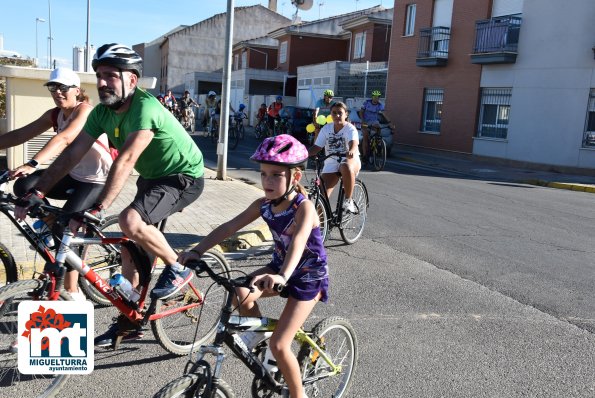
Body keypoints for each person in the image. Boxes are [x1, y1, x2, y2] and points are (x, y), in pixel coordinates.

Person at [14, 43, 205, 346]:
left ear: (131, 79)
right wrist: (38, 190)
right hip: (153, 177)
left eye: (111, 76)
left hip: (183, 176)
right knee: (131, 245)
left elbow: (125, 160)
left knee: (130, 221)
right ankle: (132, 320)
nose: (102, 83)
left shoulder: (146, 107)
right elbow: (71, 154)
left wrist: (100, 206)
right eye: (99, 75)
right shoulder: (102, 112)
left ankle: (178, 267)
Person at [178, 134, 328, 398]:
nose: (267, 181)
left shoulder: (304, 209)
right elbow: (228, 227)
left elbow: (298, 243)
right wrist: (197, 250)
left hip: (306, 277)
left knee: (280, 344)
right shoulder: (264, 205)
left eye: (276, 175)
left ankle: (297, 394)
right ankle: (260, 345)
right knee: (240, 292)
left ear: (295, 177)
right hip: (278, 269)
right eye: (264, 174)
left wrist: (282, 276)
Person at [0, 67, 112, 300]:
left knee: (65, 229)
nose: (57, 92)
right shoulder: (55, 114)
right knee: (23, 186)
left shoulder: (86, 111)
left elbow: (65, 138)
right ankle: (52, 226)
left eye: (63, 88)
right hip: (72, 175)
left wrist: (33, 162)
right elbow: (20, 134)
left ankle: (72, 290)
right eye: (53, 87)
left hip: (95, 180)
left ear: (77, 91)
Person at [308, 101, 361, 213]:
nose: (337, 116)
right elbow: (317, 147)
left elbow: (354, 143)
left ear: (346, 114)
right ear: (330, 114)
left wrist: (351, 151)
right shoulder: (326, 129)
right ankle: (322, 227)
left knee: (345, 166)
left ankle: (348, 200)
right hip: (331, 162)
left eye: (340, 113)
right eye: (334, 113)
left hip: (350, 159)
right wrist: (302, 154)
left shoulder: (350, 129)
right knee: (321, 198)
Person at [358, 90, 392, 165]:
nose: (376, 98)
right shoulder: (367, 103)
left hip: (374, 121)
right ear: (372, 97)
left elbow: (384, 114)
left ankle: (377, 143)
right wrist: (363, 121)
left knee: (378, 127)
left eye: (378, 97)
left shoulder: (380, 105)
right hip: (366, 121)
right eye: (375, 97)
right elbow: (361, 112)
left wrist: (390, 123)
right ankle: (364, 155)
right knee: (366, 138)